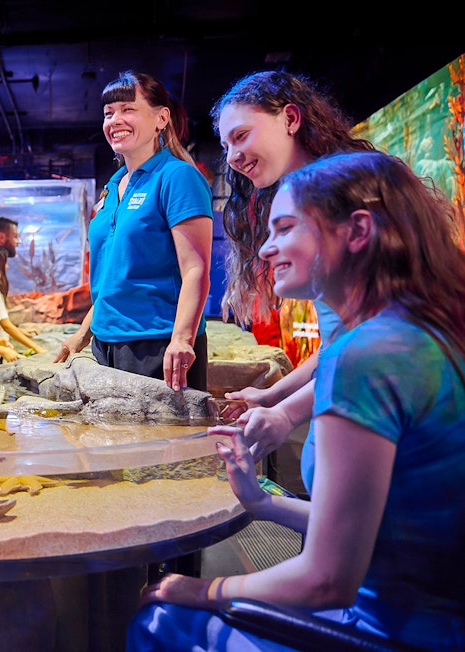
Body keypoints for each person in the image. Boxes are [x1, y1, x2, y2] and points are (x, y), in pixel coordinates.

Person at [128, 150, 465, 651]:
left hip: (391, 632)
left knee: (156, 620)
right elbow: (368, 531)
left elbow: (327, 578)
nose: (266, 249)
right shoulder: (423, 334)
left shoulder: (364, 356)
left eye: (284, 228)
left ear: (357, 231)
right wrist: (262, 502)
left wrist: (202, 590)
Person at [207, 70, 376, 457]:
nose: (232, 157)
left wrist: (285, 412)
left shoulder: (349, 193)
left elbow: (372, 341)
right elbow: (341, 341)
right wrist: (272, 395)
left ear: (291, 119)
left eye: (241, 135)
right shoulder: (314, 190)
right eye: (226, 144)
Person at [52, 70, 212, 394]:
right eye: (108, 113)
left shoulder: (177, 177)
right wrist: (83, 334)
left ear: (161, 118)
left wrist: (182, 339)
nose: (115, 120)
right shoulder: (112, 189)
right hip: (106, 345)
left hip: (158, 345)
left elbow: (196, 269)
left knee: (160, 444)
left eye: (128, 109)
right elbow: (112, 277)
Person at [0, 217, 46, 356]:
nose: (18, 241)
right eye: (15, 236)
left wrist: (20, 331)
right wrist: (37, 348)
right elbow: (6, 325)